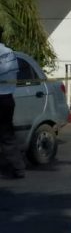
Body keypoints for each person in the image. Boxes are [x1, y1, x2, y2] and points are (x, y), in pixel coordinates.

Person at [0, 27, 25, 179]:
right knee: (7, 135)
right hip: (8, 98)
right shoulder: (9, 52)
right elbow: (14, 73)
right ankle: (18, 168)